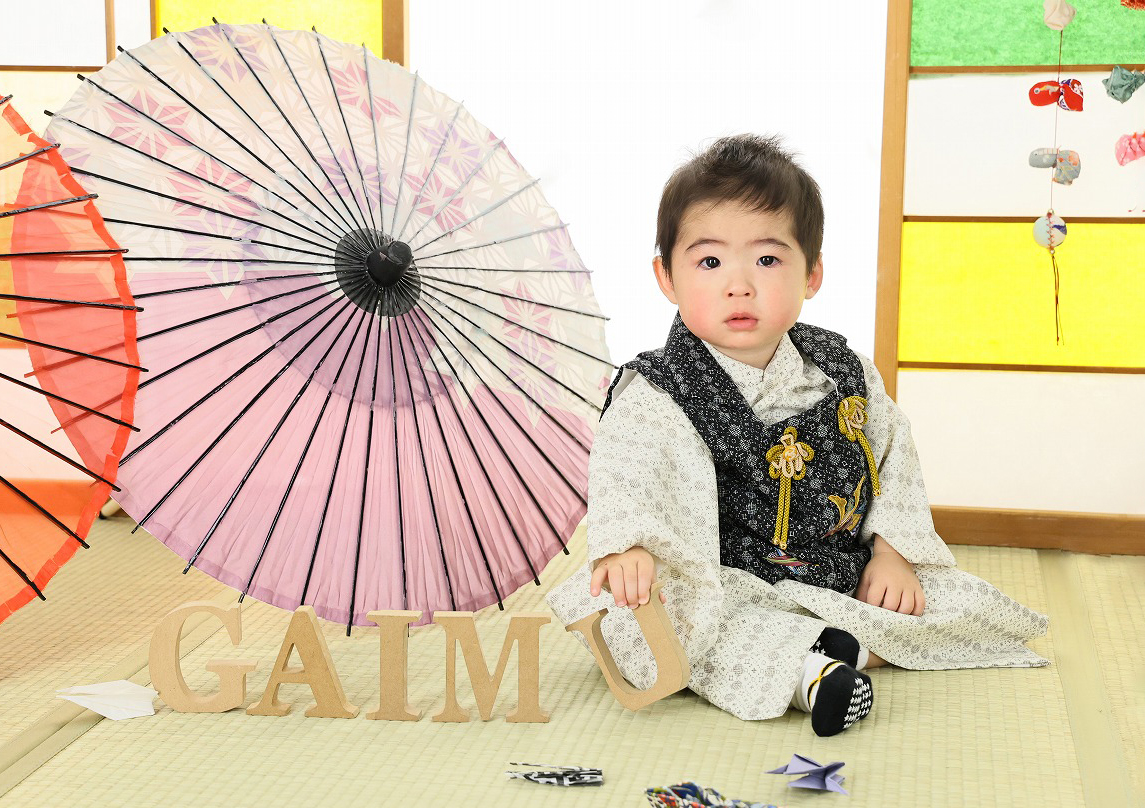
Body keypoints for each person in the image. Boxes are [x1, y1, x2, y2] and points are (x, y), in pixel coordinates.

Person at [545, 134, 1048, 736]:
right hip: (721, 580)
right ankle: (821, 674)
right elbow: (624, 475)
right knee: (654, 623)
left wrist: (890, 551)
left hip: (839, 569)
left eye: (767, 259)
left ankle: (837, 644)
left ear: (811, 274)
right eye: (709, 262)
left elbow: (892, 458)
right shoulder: (655, 391)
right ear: (666, 277)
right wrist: (627, 547)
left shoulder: (843, 370)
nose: (739, 284)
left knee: (959, 602)